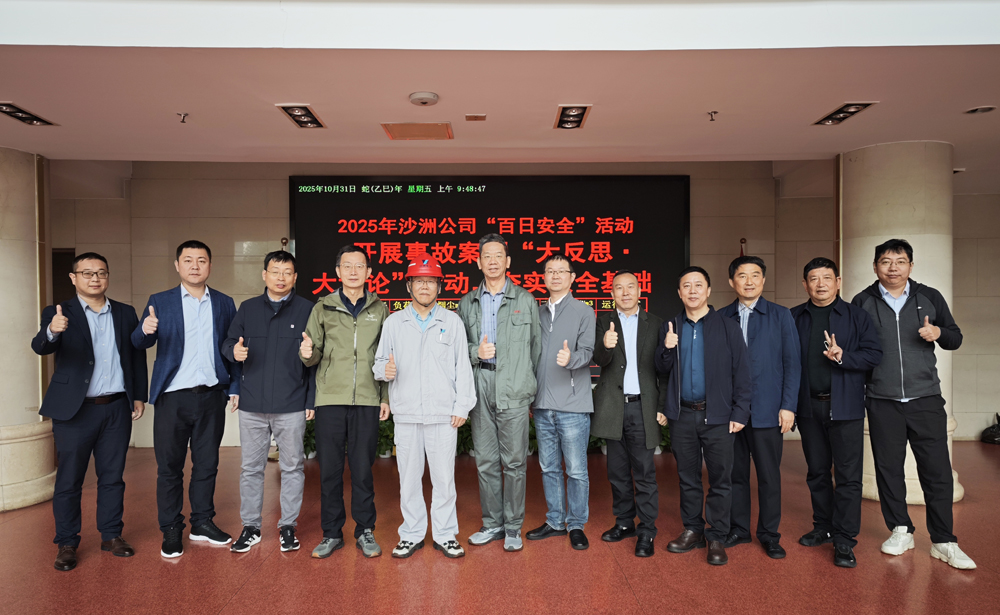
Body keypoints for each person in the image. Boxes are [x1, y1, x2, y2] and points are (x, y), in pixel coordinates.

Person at [851, 239, 975, 570]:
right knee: (888, 469)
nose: (893, 267)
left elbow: (955, 337)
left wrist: (938, 333)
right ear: (875, 266)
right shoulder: (862, 301)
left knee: (937, 471)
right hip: (882, 400)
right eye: (886, 261)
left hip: (926, 399)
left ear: (910, 265)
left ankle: (944, 540)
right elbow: (855, 349)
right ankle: (901, 529)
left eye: (900, 261)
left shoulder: (929, 296)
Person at [31, 253, 148, 572]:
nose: (95, 278)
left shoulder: (125, 312)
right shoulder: (58, 312)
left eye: (101, 273)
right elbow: (41, 346)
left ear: (107, 277)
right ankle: (67, 542)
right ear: (74, 278)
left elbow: (135, 356)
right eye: (87, 273)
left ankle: (111, 535)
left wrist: (139, 396)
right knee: (69, 480)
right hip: (75, 411)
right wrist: (52, 330)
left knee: (112, 477)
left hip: (116, 408)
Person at [132, 240, 240, 558]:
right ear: (177, 265)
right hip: (172, 398)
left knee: (207, 464)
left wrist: (234, 387)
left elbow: (233, 347)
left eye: (201, 260)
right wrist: (145, 329)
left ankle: (202, 523)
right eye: (188, 260)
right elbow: (138, 343)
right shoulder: (160, 301)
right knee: (170, 467)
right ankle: (171, 528)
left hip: (211, 396)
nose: (195, 266)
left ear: (210, 266)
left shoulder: (224, 303)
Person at [374, 254, 477, 559]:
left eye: (430, 282)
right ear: (409, 286)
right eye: (419, 281)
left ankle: (445, 535)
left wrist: (462, 406)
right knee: (408, 479)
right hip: (406, 414)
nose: (424, 287)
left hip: (443, 415)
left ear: (439, 287)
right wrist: (383, 370)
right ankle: (411, 533)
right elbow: (379, 362)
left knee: (444, 480)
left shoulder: (452, 322)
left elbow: (463, 368)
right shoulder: (394, 323)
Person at [221, 250, 315, 554]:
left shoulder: (307, 310)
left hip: (292, 403)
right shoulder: (248, 309)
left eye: (287, 272)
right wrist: (233, 353)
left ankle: (288, 526)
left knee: (292, 468)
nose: (281, 278)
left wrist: (311, 400)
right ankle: (250, 527)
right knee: (251, 468)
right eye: (275, 271)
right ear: (264, 275)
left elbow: (315, 358)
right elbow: (228, 343)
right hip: (252, 404)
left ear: (295, 277)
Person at [299, 245, 390, 559]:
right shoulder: (323, 307)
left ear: (369, 272)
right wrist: (306, 353)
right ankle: (331, 533)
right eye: (347, 266)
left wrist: (384, 397)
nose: (353, 271)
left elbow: (386, 357)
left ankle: (365, 530)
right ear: (337, 271)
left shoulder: (380, 309)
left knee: (363, 469)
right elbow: (311, 354)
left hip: (367, 398)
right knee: (330, 470)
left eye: (359, 266)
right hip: (331, 399)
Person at [790, 257, 882, 568]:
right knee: (817, 472)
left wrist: (844, 357)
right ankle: (823, 527)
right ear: (805, 285)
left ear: (838, 282)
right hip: (808, 407)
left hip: (845, 407)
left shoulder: (857, 316)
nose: (821, 284)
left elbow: (874, 354)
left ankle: (844, 539)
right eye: (814, 279)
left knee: (848, 476)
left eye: (827, 278)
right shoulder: (794, 317)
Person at [655, 266, 750, 566]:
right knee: (688, 478)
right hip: (683, 415)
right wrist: (666, 349)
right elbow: (660, 369)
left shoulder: (727, 327)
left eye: (699, 285)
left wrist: (740, 411)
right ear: (679, 292)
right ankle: (693, 530)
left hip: (718, 416)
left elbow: (742, 372)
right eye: (687, 285)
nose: (693, 290)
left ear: (708, 291)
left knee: (721, 478)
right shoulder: (671, 326)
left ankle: (717, 535)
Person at [457, 234, 542, 552]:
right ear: (478, 262)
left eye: (498, 256)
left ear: (508, 261)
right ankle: (492, 524)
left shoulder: (526, 300)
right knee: (486, 462)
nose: (492, 261)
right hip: (481, 384)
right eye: (486, 256)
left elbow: (536, 349)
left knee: (515, 463)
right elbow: (457, 349)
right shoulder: (467, 302)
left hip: (514, 388)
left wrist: (529, 387)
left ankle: (513, 527)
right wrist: (475, 352)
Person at [718, 256, 800, 559]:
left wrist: (788, 406)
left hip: (768, 411)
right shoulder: (721, 316)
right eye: (742, 276)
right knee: (735, 475)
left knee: (768, 476)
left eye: (755, 275)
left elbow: (792, 364)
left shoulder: (780, 315)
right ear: (732, 282)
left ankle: (769, 534)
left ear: (763, 280)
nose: (749, 281)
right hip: (731, 413)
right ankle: (739, 529)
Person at [591, 270, 667, 558]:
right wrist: (605, 345)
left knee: (645, 472)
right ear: (612, 294)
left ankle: (647, 529)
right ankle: (624, 523)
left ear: (639, 291)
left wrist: (661, 407)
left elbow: (665, 369)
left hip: (642, 407)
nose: (625, 293)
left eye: (630, 287)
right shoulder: (603, 321)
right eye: (619, 288)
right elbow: (598, 360)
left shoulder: (656, 323)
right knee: (617, 472)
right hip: (613, 407)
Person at [526, 255, 596, 550]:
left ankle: (576, 523)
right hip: (542, 405)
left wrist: (571, 359)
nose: (555, 276)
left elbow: (589, 351)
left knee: (576, 470)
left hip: (573, 405)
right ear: (543, 277)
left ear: (572, 277)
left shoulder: (584, 311)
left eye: (561, 271)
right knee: (549, 468)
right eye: (550, 271)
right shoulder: (537, 312)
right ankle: (555, 521)